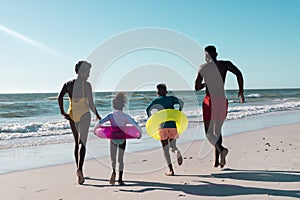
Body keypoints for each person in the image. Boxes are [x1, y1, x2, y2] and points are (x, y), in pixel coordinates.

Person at [195, 45, 245, 168]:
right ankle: (217, 160)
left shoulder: (203, 67)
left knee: (208, 132)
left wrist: (205, 83)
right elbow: (239, 74)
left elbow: (196, 87)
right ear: (216, 54)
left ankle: (221, 150)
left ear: (206, 55)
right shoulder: (225, 64)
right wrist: (241, 91)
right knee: (217, 131)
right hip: (222, 100)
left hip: (210, 100)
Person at [58, 60, 101, 185]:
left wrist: (62, 112)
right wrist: (97, 115)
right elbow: (91, 103)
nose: (88, 75)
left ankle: (78, 169)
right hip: (84, 114)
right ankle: (80, 169)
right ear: (81, 72)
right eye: (87, 72)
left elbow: (59, 97)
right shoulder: (87, 85)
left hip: (72, 113)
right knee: (83, 143)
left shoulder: (68, 84)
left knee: (76, 143)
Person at [94, 92, 142, 185]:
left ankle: (113, 171)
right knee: (121, 159)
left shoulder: (111, 115)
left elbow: (99, 123)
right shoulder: (126, 116)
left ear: (113, 106)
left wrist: (95, 131)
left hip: (113, 138)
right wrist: (139, 134)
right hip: (122, 138)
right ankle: (120, 179)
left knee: (113, 159)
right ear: (123, 106)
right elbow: (135, 124)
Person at [146, 84, 184, 176]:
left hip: (162, 126)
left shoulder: (156, 100)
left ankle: (171, 170)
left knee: (165, 149)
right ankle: (177, 152)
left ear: (158, 92)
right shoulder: (171, 98)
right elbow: (181, 102)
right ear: (166, 91)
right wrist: (178, 112)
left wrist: (151, 119)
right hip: (172, 125)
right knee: (172, 147)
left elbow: (148, 109)